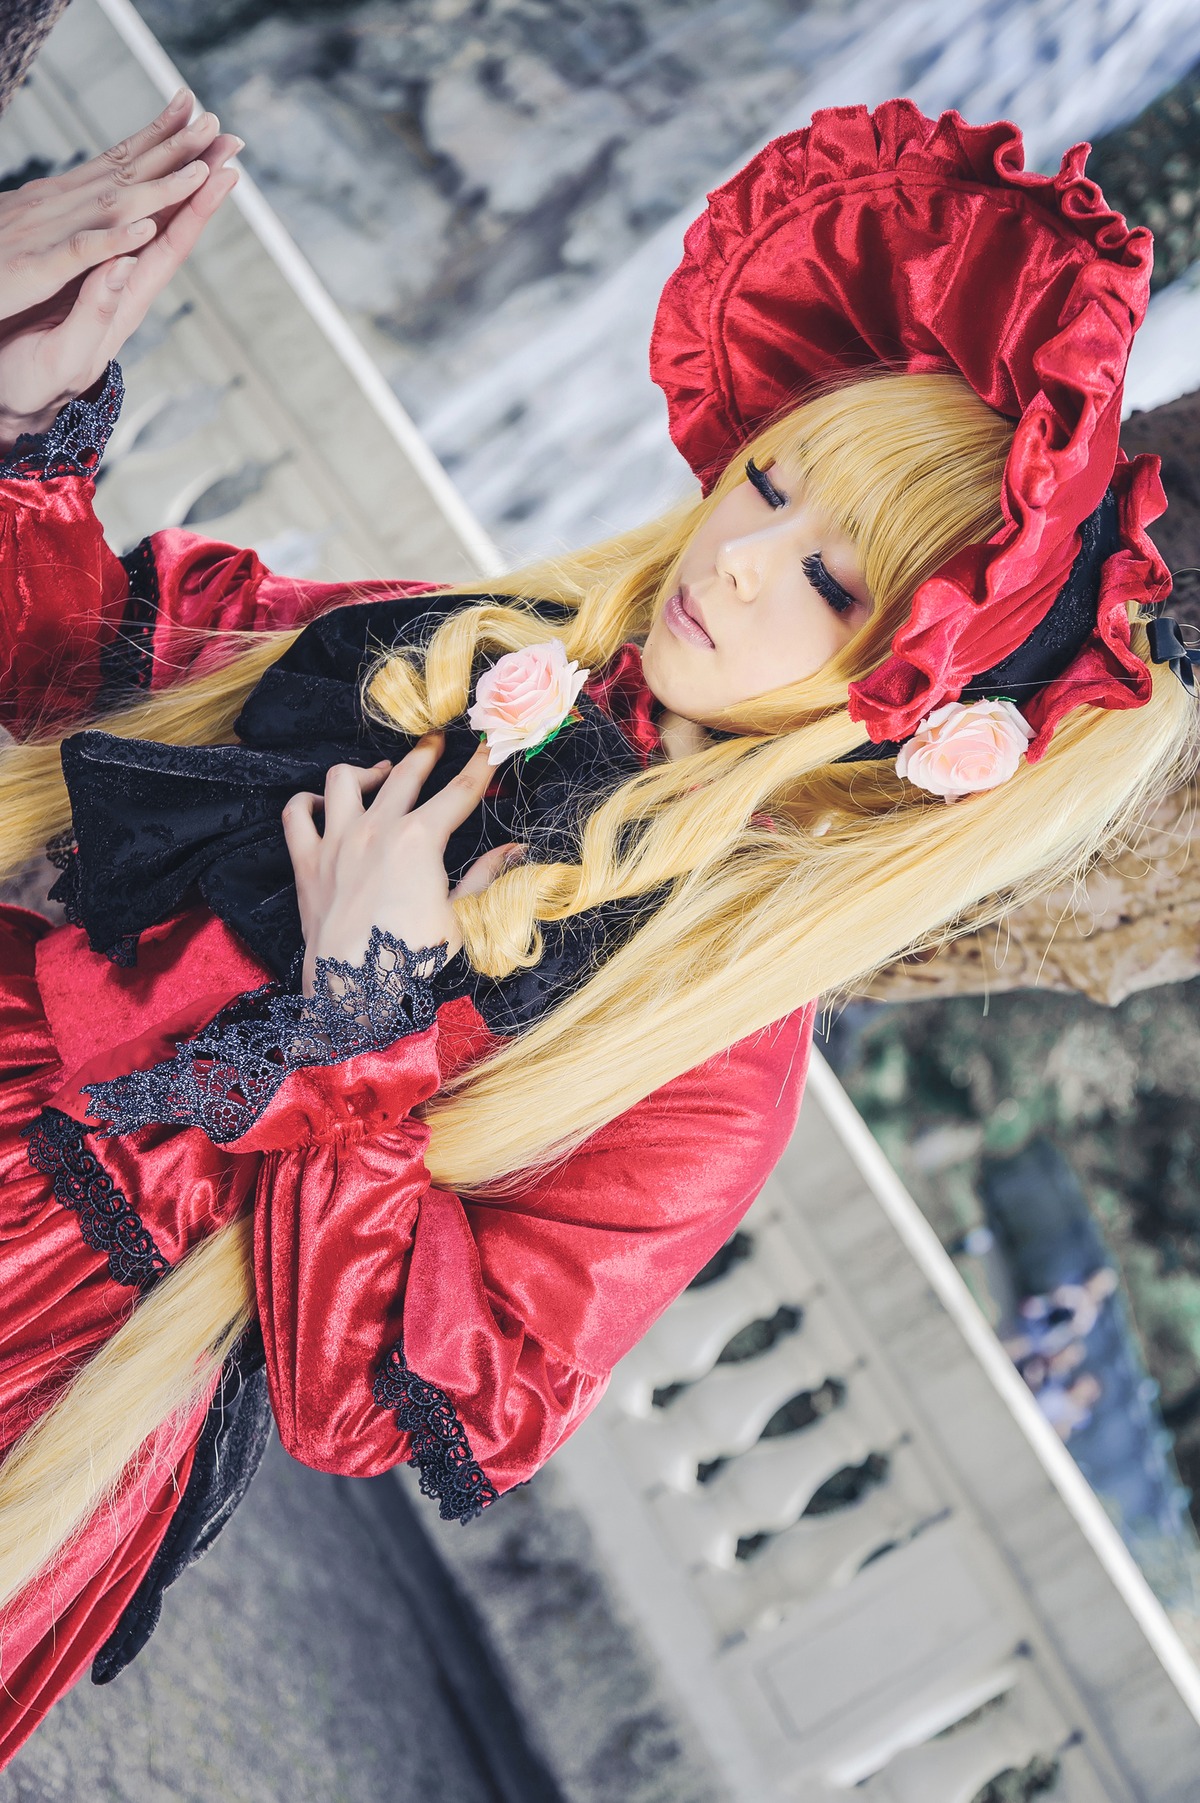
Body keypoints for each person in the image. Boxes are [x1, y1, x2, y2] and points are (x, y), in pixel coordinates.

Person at [0, 89, 1193, 1758]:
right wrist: (30, 421)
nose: (745, 555)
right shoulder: (473, 658)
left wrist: (367, 1017)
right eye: (771, 480)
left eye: (837, 585)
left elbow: (407, 1400)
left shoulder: (714, 1054)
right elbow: (87, 693)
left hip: (48, 1350)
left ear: (907, 691)